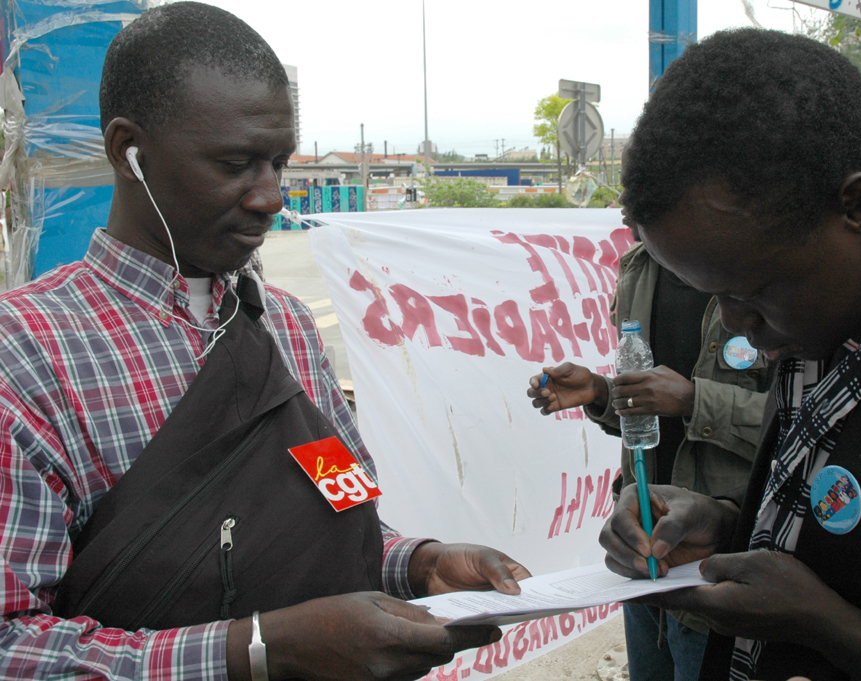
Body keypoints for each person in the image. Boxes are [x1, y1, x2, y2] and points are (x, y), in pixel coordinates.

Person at [0, 4, 529, 680]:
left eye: (279, 162)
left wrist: (419, 563)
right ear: (127, 151)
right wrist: (257, 651)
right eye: (236, 163)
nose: (271, 196)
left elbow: (341, 514)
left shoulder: (285, 327)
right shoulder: (26, 355)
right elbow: (12, 645)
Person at [600, 28, 861, 681]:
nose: (741, 332)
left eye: (749, 294)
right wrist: (727, 525)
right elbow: (853, 523)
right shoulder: (823, 290)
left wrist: (831, 627)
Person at [528, 219, 773, 681]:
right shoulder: (639, 267)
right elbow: (649, 409)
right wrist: (601, 394)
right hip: (644, 551)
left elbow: (807, 424)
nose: (624, 211)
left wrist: (696, 401)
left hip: (724, 563)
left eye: (642, 194)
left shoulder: (763, 272)